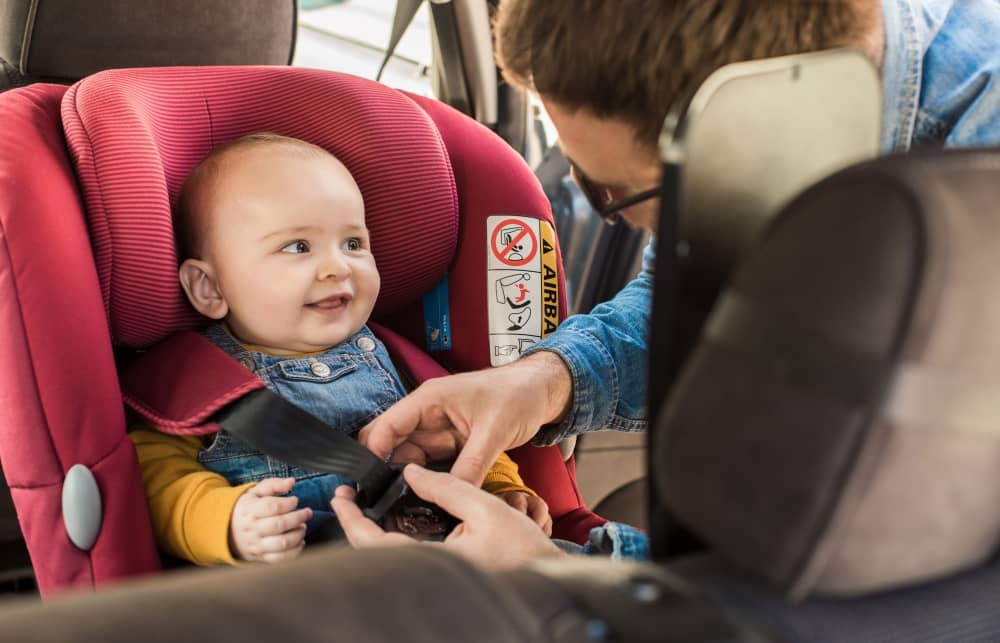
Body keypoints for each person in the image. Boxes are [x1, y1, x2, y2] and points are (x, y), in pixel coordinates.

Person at [332, 0, 1000, 569]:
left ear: (758, 122)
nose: (608, 205)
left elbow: (919, 589)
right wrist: (540, 382)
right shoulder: (776, 119)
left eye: (616, 191)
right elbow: (692, 293)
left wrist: (556, 578)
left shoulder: (979, 184)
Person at [129, 133, 550, 565]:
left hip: (451, 559)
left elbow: (464, 435)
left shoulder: (400, 361)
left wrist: (502, 489)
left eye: (353, 244)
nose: (337, 267)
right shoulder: (194, 385)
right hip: (315, 586)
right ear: (210, 287)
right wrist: (229, 522)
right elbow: (159, 481)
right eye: (297, 247)